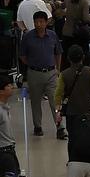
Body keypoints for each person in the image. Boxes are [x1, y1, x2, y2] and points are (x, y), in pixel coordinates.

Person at [19, 8, 63, 137]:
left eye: (41, 22)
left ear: (46, 22)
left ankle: (60, 127)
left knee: (55, 101)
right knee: (36, 102)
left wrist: (57, 68)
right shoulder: (28, 37)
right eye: (36, 22)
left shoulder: (52, 35)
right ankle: (37, 126)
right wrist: (32, 64)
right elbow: (22, 55)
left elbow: (58, 53)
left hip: (51, 73)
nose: (38, 24)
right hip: (34, 73)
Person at [55, 45, 90, 119]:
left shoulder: (64, 74)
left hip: (72, 113)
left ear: (68, 58)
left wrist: (57, 111)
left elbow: (58, 94)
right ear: (83, 57)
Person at [0, 76, 20, 177]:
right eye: (8, 86)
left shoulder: (5, 107)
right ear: (1, 91)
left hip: (9, 150)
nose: (11, 87)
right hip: (4, 153)